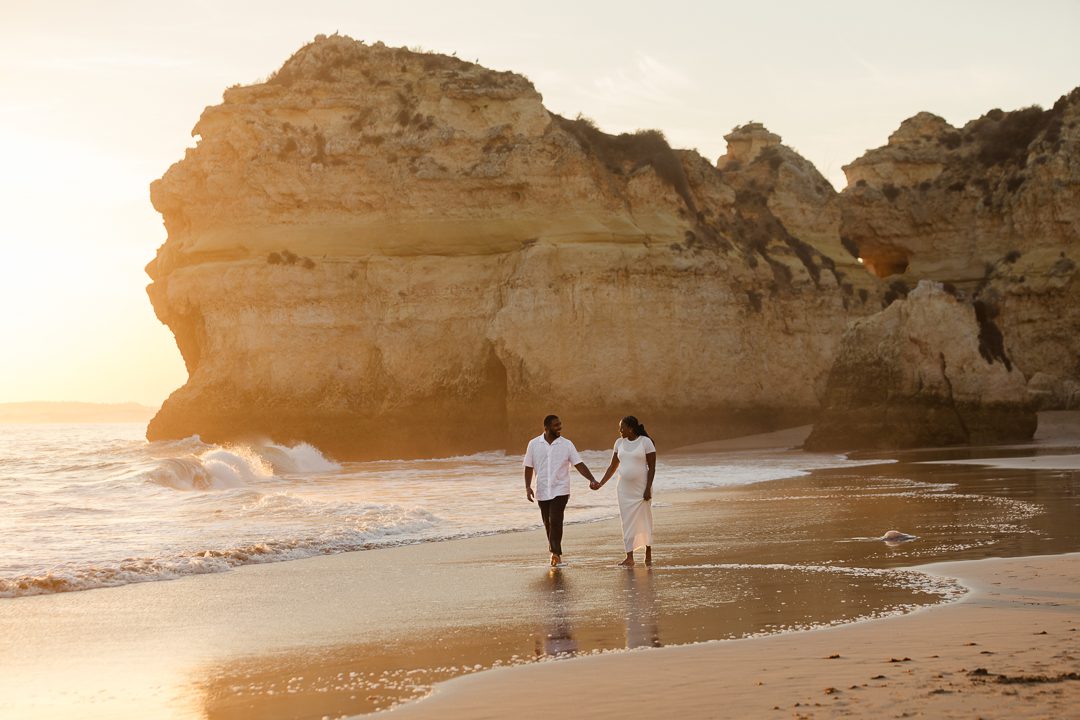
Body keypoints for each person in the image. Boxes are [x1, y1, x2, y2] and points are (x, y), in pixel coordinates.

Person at [523, 415, 599, 567]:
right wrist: (528, 487)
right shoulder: (533, 444)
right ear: (546, 428)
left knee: (556, 520)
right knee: (548, 523)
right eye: (556, 425)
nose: (559, 427)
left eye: (560, 424)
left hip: (561, 489)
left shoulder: (567, 444)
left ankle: (555, 554)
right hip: (542, 489)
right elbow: (528, 466)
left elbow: (579, 464)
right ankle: (554, 552)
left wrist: (591, 479)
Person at [595, 415, 656, 567]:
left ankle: (648, 551)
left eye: (622, 427)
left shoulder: (645, 442)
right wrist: (601, 483)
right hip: (624, 490)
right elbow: (613, 466)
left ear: (631, 428)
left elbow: (652, 467)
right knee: (626, 521)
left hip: (641, 488)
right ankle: (629, 557)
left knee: (644, 519)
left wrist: (647, 488)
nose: (620, 430)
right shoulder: (619, 443)